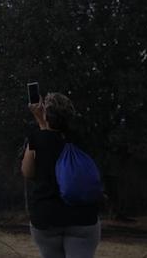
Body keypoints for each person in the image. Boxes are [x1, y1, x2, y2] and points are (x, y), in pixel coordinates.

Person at [21, 92, 100, 258]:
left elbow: (27, 172)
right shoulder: (84, 137)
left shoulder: (37, 138)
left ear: (46, 115)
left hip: (47, 217)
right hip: (83, 217)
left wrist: (40, 121)